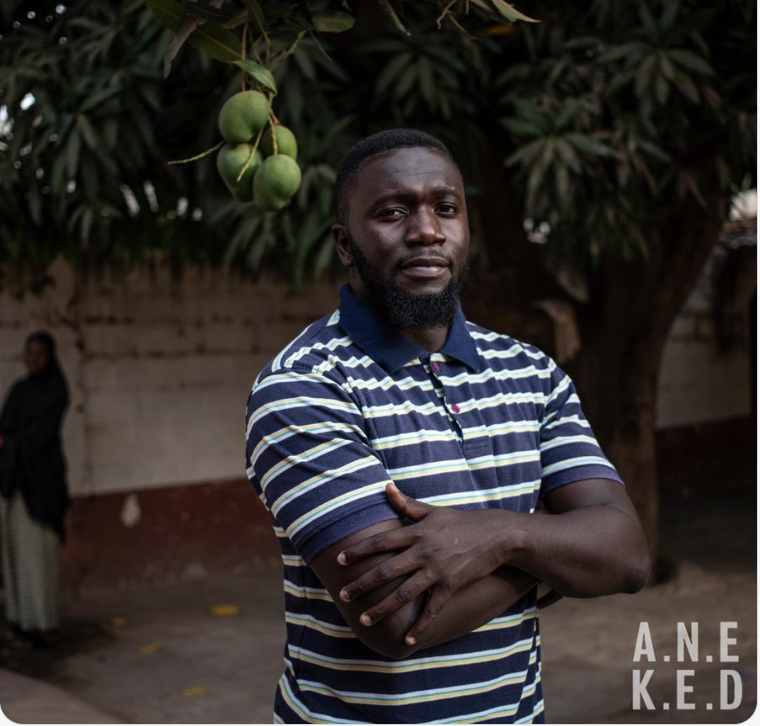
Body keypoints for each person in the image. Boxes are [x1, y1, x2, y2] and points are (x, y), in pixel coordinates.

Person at [245, 129, 650, 724]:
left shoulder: (531, 372)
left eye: (446, 207)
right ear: (345, 243)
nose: (427, 230)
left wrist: (498, 536)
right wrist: (556, 545)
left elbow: (629, 556)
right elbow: (394, 620)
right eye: (392, 212)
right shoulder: (304, 386)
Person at [0, 331, 70, 648]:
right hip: (17, 485)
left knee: (40, 558)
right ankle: (21, 621)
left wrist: (9, 443)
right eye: (29, 354)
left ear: (50, 356)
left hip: (42, 489)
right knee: (18, 557)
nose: (34, 360)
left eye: (40, 354)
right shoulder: (19, 391)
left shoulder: (56, 390)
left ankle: (45, 623)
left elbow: (39, 437)